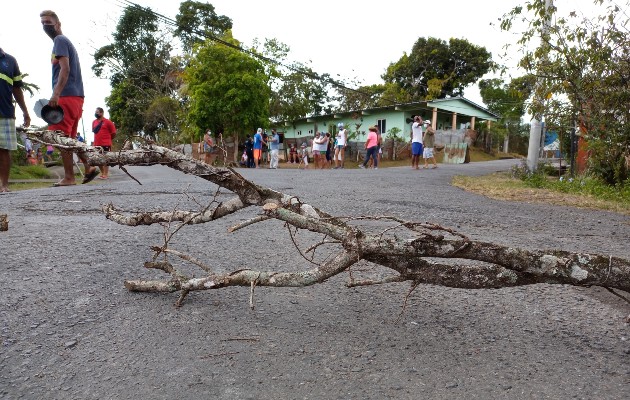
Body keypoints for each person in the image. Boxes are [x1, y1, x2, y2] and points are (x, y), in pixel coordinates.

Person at [40, 10, 98, 186]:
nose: (45, 26)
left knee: (59, 138)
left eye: (48, 22)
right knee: (70, 139)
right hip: (76, 97)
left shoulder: (60, 40)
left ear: (58, 24)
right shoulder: (64, 43)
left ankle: (69, 177)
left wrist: (56, 93)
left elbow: (65, 69)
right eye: (42, 23)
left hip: (66, 96)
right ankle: (89, 168)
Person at [0, 48, 31, 193]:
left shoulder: (10, 61)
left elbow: (17, 89)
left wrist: (25, 111)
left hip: (5, 113)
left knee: (4, 149)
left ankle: (4, 184)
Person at [92, 107, 116, 179]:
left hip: (106, 144)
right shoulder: (94, 122)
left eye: (97, 112)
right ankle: (102, 173)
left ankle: (106, 174)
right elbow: (95, 132)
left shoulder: (108, 122)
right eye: (95, 112)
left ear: (101, 113)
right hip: (96, 144)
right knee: (98, 160)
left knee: (106, 159)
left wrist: (108, 139)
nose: (96, 113)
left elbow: (113, 133)